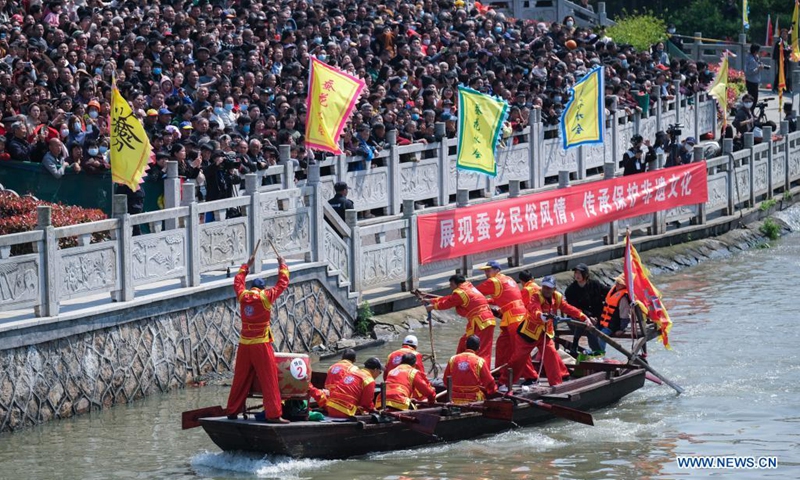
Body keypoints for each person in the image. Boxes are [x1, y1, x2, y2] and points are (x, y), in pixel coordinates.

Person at [225, 251, 290, 424]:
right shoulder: (265, 297)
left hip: (244, 343)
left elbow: (237, 281)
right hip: (261, 343)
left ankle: (232, 411)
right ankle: (274, 414)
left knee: (240, 377)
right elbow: (282, 284)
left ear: (252, 286)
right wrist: (282, 265)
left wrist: (247, 265)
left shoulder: (243, 295)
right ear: (262, 288)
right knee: (269, 379)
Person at [515, 275, 591, 386]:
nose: (546, 290)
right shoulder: (536, 296)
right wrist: (541, 316)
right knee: (519, 358)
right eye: (545, 287)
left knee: (551, 356)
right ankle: (505, 383)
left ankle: (556, 384)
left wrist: (583, 317)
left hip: (545, 333)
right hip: (529, 333)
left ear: (554, 289)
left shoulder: (557, 297)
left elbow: (568, 308)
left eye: (549, 288)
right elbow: (533, 308)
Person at [425, 274, 496, 366]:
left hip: (482, 322)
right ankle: (458, 365)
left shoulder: (461, 292)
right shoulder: (469, 287)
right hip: (481, 321)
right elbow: (451, 298)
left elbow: (448, 303)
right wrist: (432, 300)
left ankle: (480, 372)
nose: (451, 287)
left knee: (482, 348)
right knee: (464, 342)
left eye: (451, 285)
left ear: (455, 284)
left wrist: (433, 307)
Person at [475, 261, 527, 371]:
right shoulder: (508, 279)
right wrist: (488, 301)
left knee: (517, 347)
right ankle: (500, 371)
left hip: (514, 317)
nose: (486, 273)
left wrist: (454, 297)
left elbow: (473, 293)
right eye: (485, 271)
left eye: (488, 270)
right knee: (502, 344)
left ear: (497, 270)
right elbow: (506, 296)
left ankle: (530, 376)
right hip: (514, 315)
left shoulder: (493, 281)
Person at [564, 263, 606, 356]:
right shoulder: (570, 290)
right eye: (576, 273)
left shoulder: (595, 284)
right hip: (577, 320)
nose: (577, 275)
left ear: (586, 275)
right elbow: (574, 308)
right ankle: (578, 346)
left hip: (596, 318)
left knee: (591, 327)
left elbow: (608, 292)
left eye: (580, 273)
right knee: (586, 325)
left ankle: (598, 354)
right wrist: (588, 317)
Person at [443, 335, 498, 405]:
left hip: (454, 399)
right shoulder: (480, 361)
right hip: (473, 399)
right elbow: (490, 383)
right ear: (479, 348)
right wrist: (493, 391)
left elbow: (445, 381)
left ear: (465, 345)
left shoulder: (453, 359)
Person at [596, 275, 633, 353]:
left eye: (620, 283)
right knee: (592, 333)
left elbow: (625, 315)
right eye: (617, 282)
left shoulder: (623, 298)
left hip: (613, 326)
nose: (617, 284)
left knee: (601, 337)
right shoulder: (612, 291)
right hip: (603, 323)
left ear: (624, 285)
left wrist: (621, 329)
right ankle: (595, 352)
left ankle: (600, 355)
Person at [744, 43, 764, 112]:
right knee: (753, 99)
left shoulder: (755, 57)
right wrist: (758, 68)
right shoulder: (751, 59)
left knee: (755, 98)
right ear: (755, 51)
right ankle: (750, 112)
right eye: (758, 51)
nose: (759, 52)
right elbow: (750, 72)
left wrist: (760, 65)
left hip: (755, 81)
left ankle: (751, 112)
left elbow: (758, 63)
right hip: (751, 81)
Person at [773, 29, 793, 95]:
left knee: (783, 73)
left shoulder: (785, 42)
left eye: (785, 34)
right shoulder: (780, 41)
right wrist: (790, 50)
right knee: (781, 73)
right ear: (781, 35)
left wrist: (789, 49)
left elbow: (786, 48)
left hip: (785, 60)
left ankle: (780, 87)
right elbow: (783, 50)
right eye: (783, 34)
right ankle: (777, 87)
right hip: (780, 60)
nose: (784, 35)